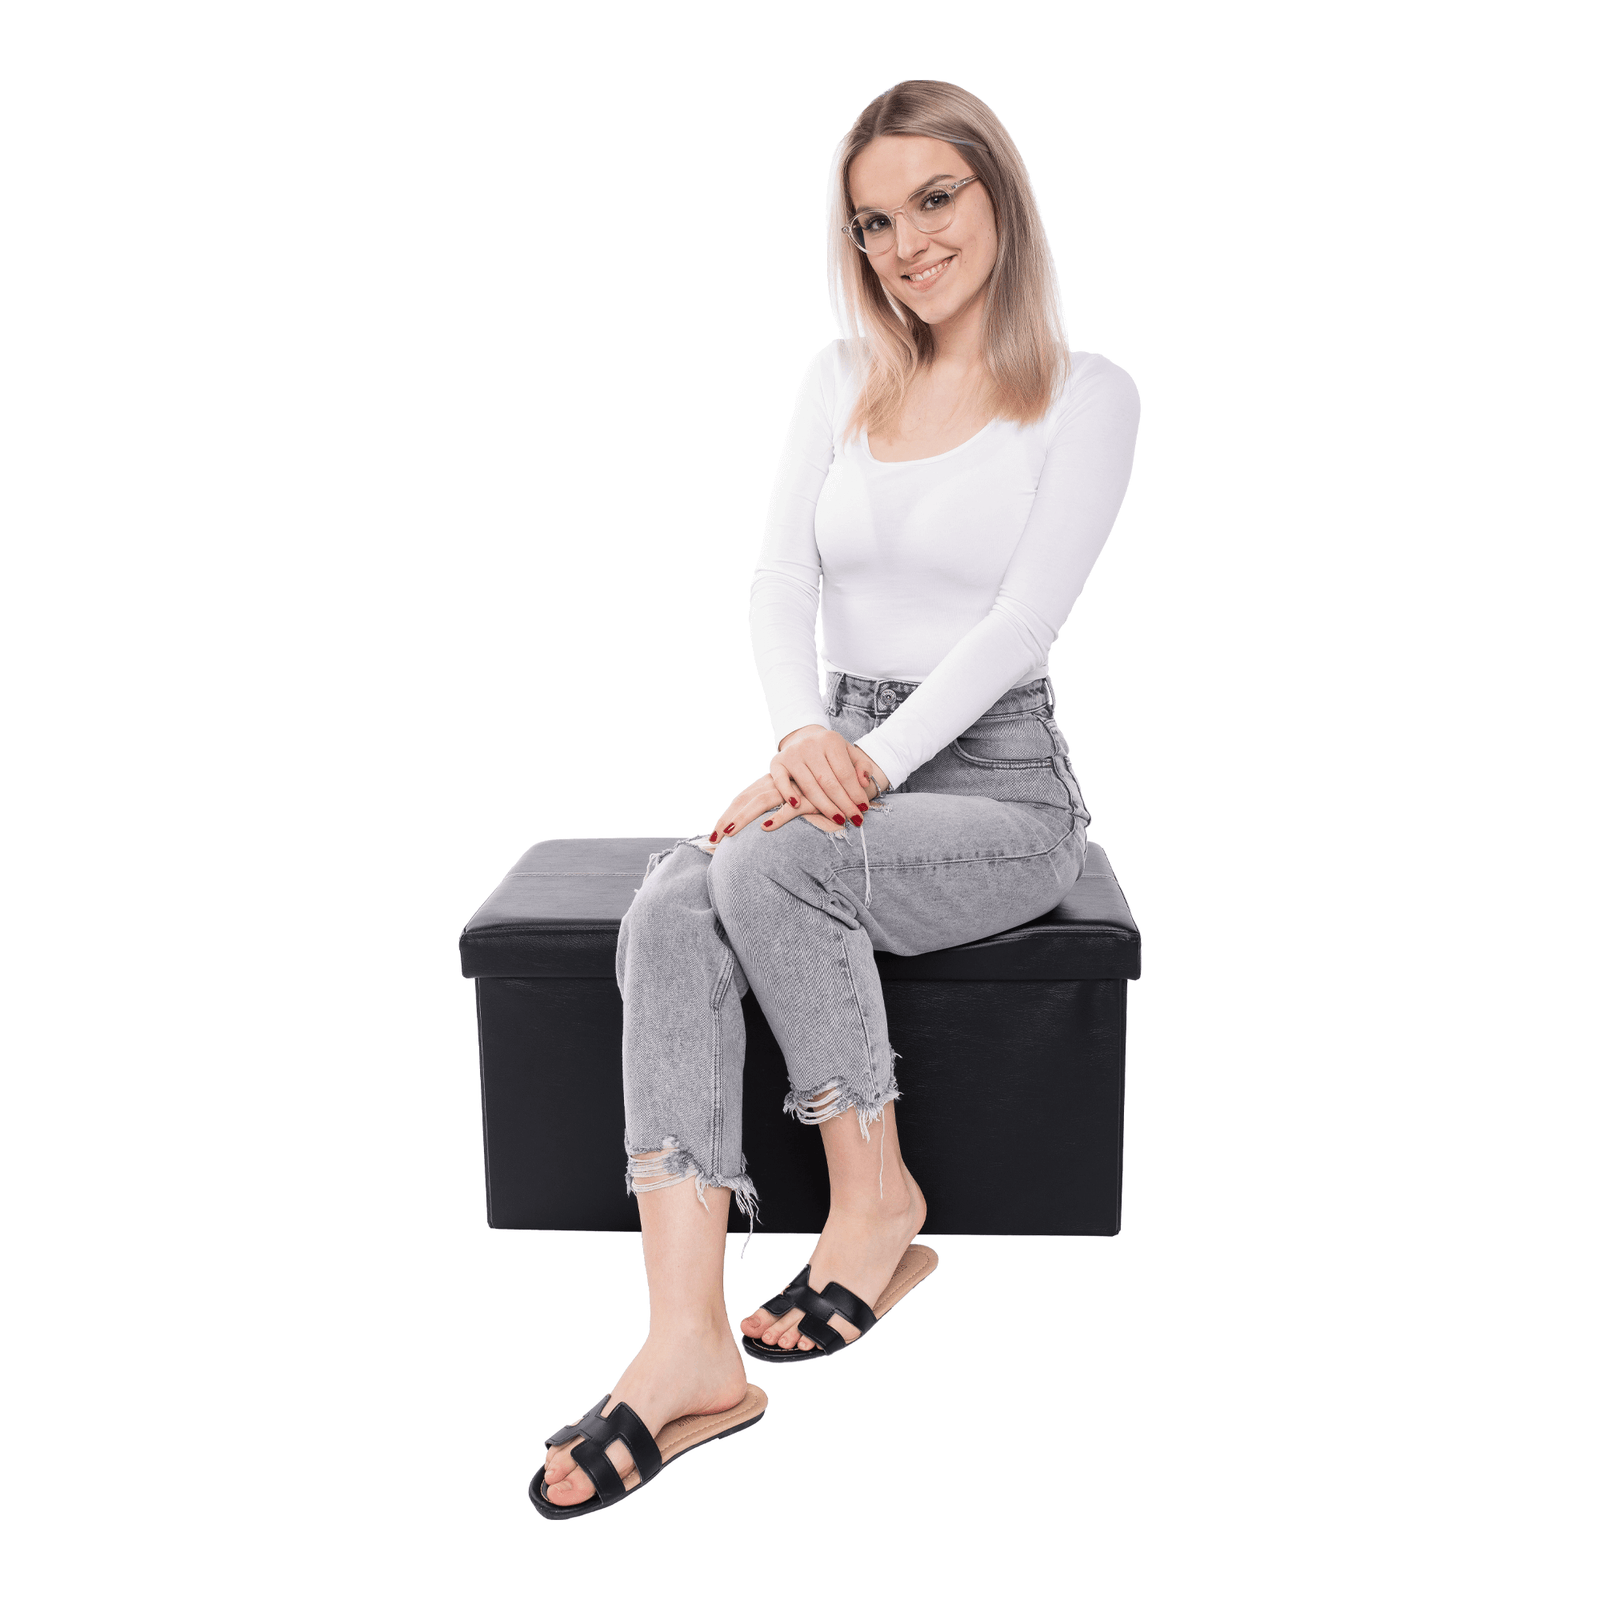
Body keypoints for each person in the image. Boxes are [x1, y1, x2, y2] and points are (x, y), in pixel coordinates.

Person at [531, 78, 1140, 1517]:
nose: (906, 243)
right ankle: (686, 1345)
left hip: (998, 787)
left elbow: (1019, 628)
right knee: (673, 902)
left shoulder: (1088, 394)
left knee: (763, 866)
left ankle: (877, 1199)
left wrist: (857, 769)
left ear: (998, 197)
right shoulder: (840, 375)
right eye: (874, 221)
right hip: (840, 749)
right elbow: (776, 579)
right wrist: (808, 735)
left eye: (935, 199)